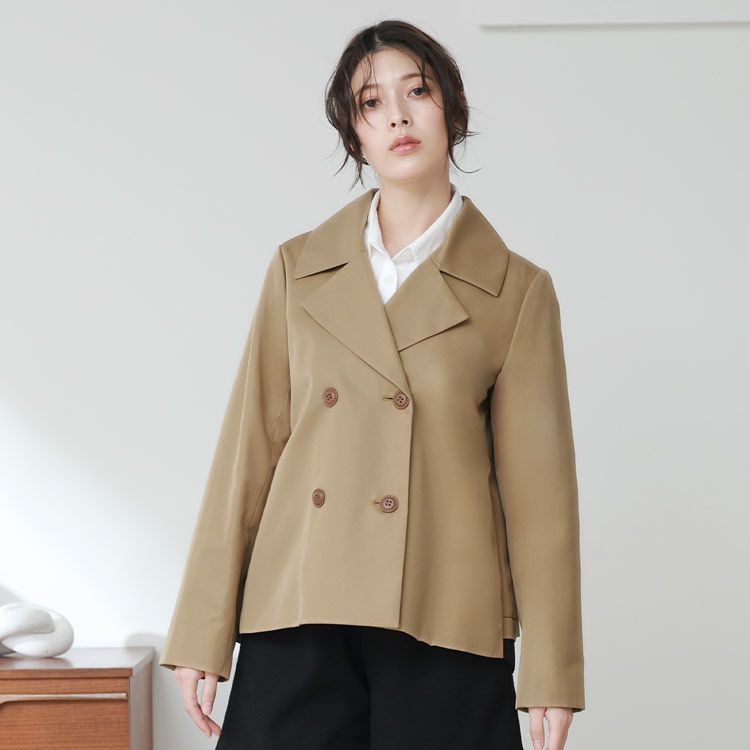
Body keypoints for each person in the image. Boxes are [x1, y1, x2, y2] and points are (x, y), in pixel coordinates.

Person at [159, 19, 585, 750]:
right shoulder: (298, 269)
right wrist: (202, 628)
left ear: (452, 108)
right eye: (370, 103)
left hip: (444, 621)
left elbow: (540, 500)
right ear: (354, 133)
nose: (396, 116)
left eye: (416, 92)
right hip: (299, 607)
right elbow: (248, 453)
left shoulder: (515, 292)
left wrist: (552, 669)